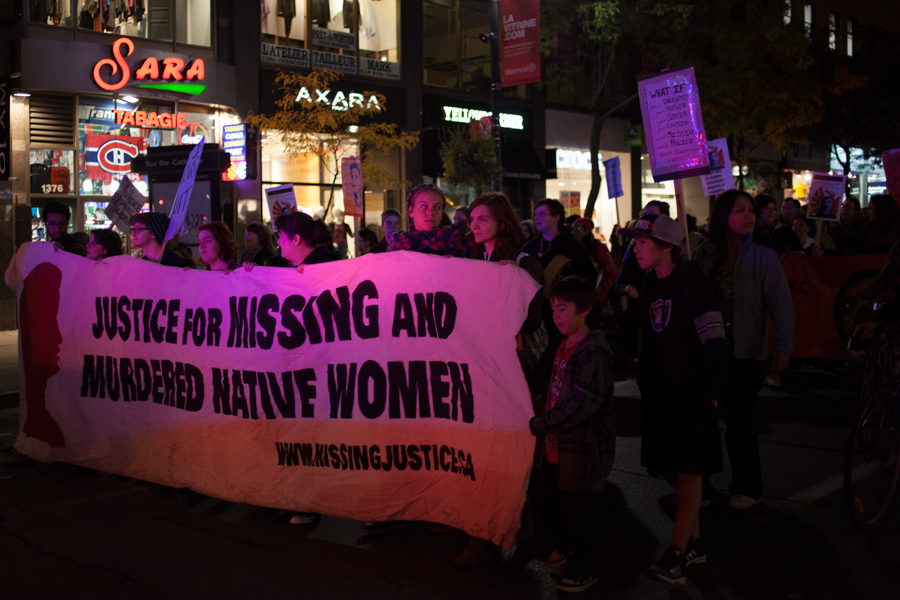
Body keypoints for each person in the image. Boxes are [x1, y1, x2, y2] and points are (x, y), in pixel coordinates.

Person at [624, 213, 728, 585]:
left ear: (668, 248)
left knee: (689, 471)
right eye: (635, 241)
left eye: (642, 242)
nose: (635, 248)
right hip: (661, 395)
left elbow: (714, 340)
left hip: (692, 394)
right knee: (678, 473)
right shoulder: (650, 284)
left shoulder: (697, 285)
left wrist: (712, 392)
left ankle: (677, 553)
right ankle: (695, 542)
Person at [453, 191, 545, 568]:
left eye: (482, 219)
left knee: (502, 450)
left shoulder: (523, 263)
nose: (474, 225)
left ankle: (490, 535)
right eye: (472, 219)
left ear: (502, 223)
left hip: (516, 370)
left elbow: (535, 315)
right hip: (484, 368)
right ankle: (516, 521)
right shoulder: (476, 260)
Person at [693, 189, 795, 510]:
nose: (748, 216)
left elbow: (782, 307)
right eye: (740, 211)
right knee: (703, 421)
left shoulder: (764, 257)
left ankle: (748, 487)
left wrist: (782, 348)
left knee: (740, 422)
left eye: (750, 210)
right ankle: (702, 486)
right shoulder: (704, 255)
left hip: (747, 354)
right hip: (708, 353)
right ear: (724, 216)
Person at [528, 276, 616, 593]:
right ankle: (567, 546)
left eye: (563, 309)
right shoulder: (558, 344)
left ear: (585, 310)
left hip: (581, 450)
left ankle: (583, 568)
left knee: (579, 512)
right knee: (544, 495)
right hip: (553, 447)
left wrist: (539, 424)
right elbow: (541, 382)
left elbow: (580, 406)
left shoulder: (591, 353)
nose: (556, 315)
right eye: (553, 308)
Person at [521, 200, 595, 336]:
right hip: (535, 313)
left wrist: (566, 281)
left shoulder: (573, 246)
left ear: (556, 218)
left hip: (565, 313)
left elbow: (588, 277)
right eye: (535, 214)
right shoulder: (531, 247)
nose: (537, 218)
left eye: (542, 214)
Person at [388, 184, 469, 257]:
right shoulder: (398, 243)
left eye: (437, 208)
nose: (431, 212)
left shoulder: (457, 242)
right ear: (411, 211)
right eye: (424, 206)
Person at [571, 217, 619, 305]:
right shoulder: (573, 248)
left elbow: (613, 273)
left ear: (587, 231)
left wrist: (601, 287)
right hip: (577, 297)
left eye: (578, 229)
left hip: (596, 299)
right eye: (572, 229)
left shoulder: (599, 248)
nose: (573, 232)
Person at [269, 211, 337, 268]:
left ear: (296, 239)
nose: (278, 242)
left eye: (281, 237)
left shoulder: (325, 268)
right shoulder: (278, 263)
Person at [129, 212, 194, 268]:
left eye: (137, 229)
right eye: (132, 230)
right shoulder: (141, 265)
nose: (133, 234)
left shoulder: (179, 265)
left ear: (153, 233)